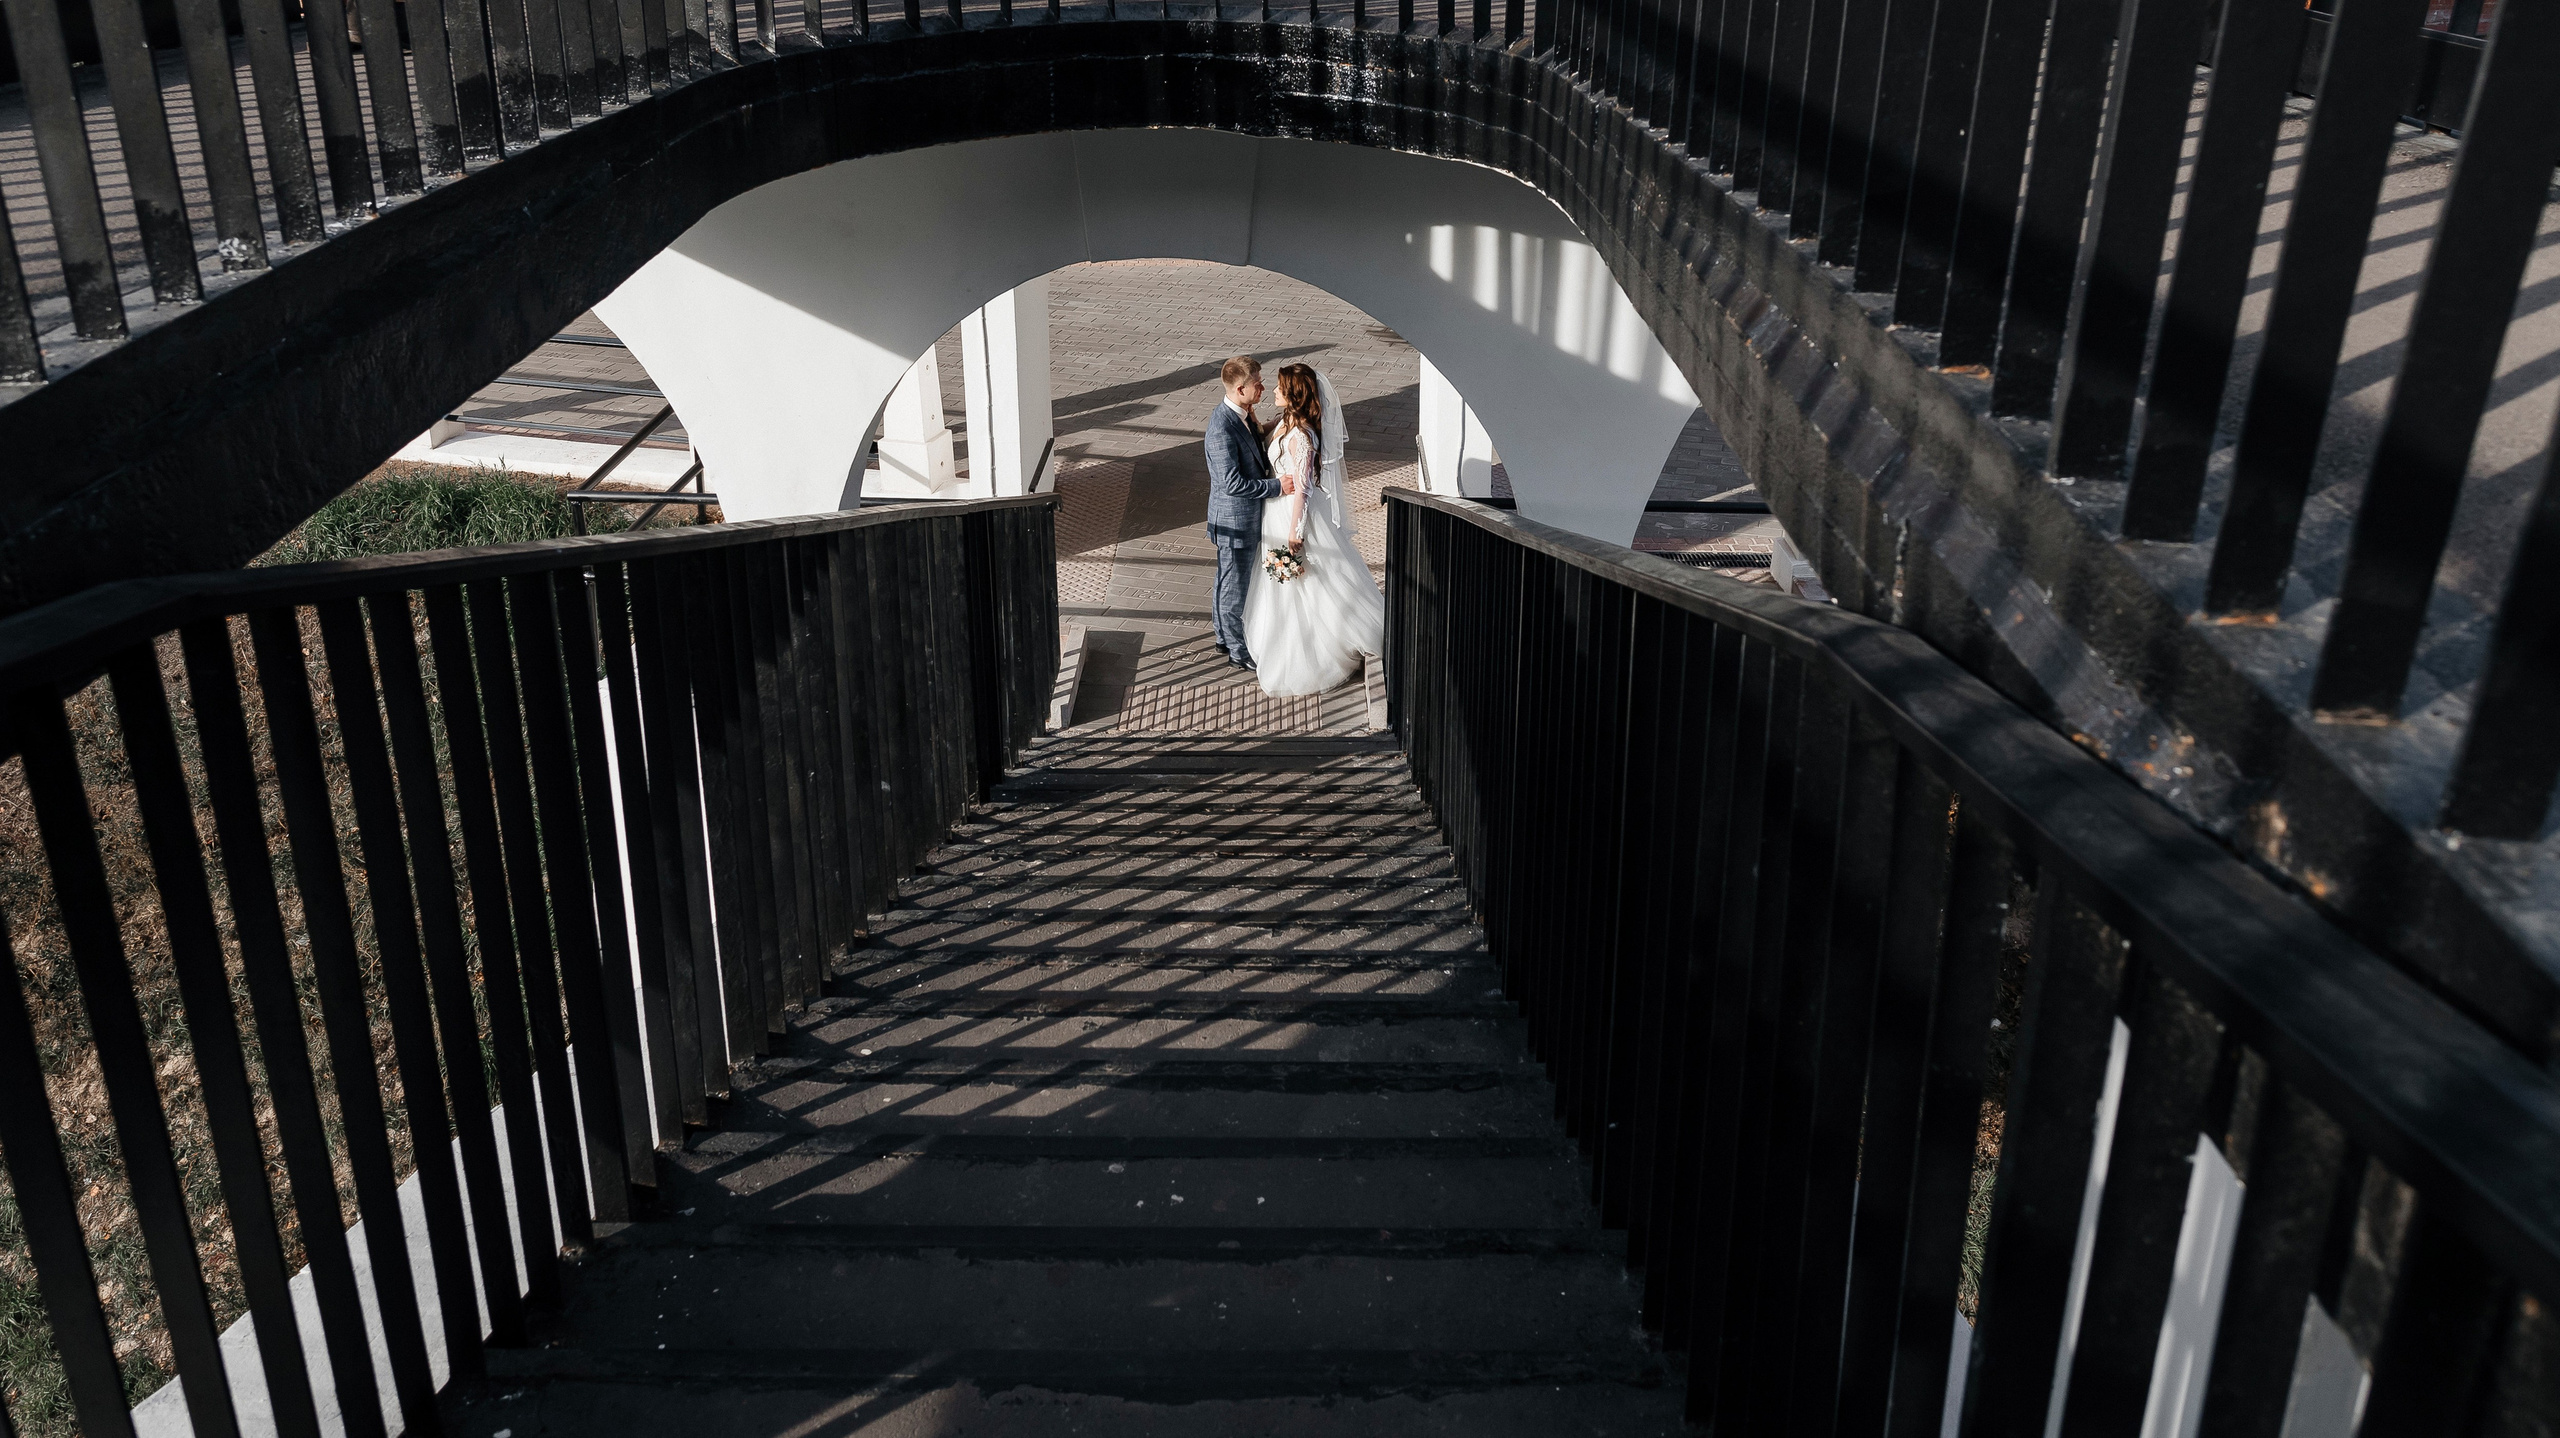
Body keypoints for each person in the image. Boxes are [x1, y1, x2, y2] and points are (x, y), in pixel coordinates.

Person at [1241, 363, 1386, 696]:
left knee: (1307, 582)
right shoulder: (1285, 422)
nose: (1273, 392)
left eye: (1279, 388)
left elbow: (1304, 490)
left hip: (1292, 516)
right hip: (1276, 511)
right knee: (1292, 584)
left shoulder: (1303, 436)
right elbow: (1264, 434)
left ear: (1293, 394)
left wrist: (1295, 532)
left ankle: (1313, 650)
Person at [1203, 355, 1286, 669]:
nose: (1263, 388)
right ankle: (1238, 652)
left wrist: (1275, 424)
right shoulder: (1220, 428)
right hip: (1234, 521)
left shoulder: (1243, 414)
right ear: (1239, 389)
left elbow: (1253, 443)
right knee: (1234, 587)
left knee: (1226, 580)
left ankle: (1223, 639)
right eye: (1257, 384)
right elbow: (1233, 483)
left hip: (1239, 518)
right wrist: (1279, 487)